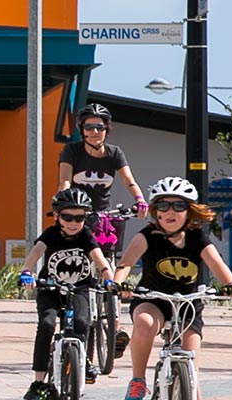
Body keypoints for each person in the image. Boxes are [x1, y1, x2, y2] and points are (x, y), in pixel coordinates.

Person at [113, 177, 232, 400]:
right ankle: (138, 381)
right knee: (144, 324)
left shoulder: (198, 238)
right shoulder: (147, 236)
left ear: (189, 211)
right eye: (163, 205)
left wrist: (230, 285)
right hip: (152, 299)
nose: (170, 211)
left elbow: (217, 265)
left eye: (179, 205)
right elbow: (125, 264)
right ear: (155, 211)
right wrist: (119, 283)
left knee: (192, 373)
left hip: (188, 304)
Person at [57, 102, 145, 358]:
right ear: (81, 130)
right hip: (79, 214)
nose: (95, 131)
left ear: (107, 129)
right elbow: (64, 180)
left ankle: (114, 326)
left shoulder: (115, 153)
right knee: (76, 264)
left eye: (100, 126)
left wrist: (139, 200)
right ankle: (70, 312)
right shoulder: (71, 151)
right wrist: (65, 204)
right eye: (89, 127)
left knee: (111, 266)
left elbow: (129, 180)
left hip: (105, 218)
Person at [20, 188, 115, 400]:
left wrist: (109, 278)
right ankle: (38, 382)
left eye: (79, 217)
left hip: (80, 287)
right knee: (46, 324)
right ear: (56, 216)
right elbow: (36, 253)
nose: (73, 223)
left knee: (82, 322)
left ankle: (84, 359)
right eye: (67, 217)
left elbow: (100, 261)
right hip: (51, 288)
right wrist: (26, 272)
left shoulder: (85, 236)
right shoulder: (51, 234)